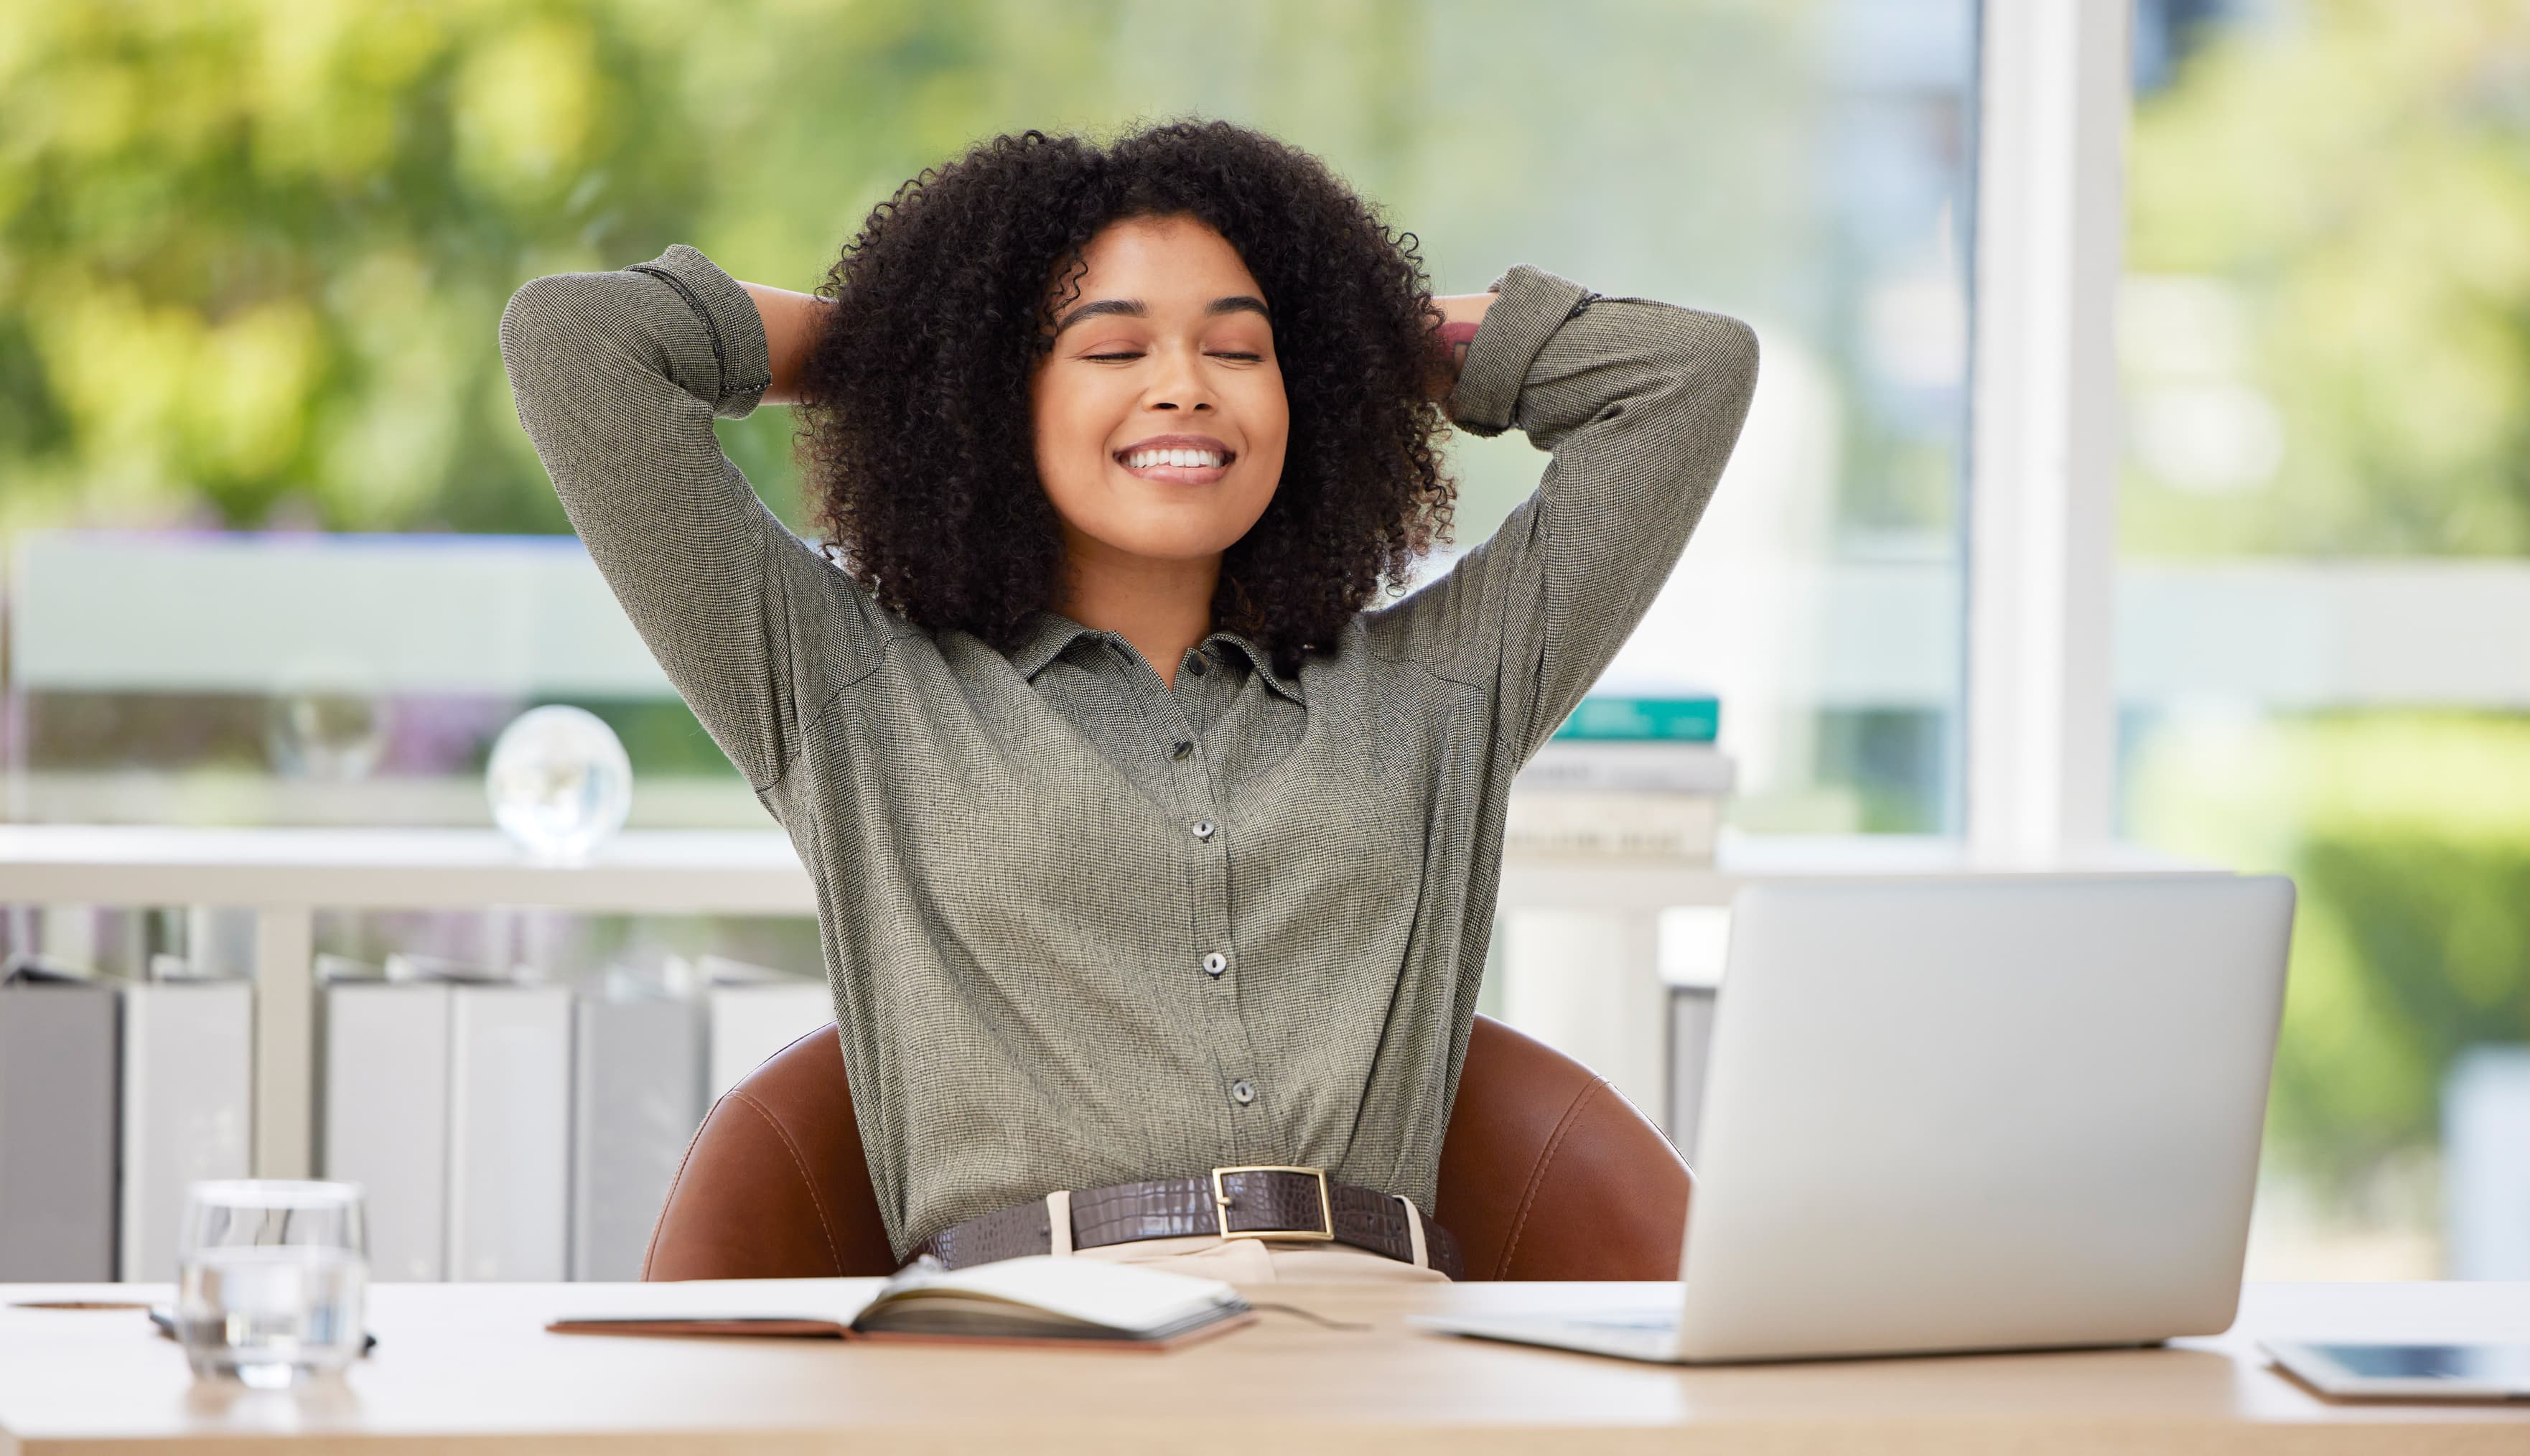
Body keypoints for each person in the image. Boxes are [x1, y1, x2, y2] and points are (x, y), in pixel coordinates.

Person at [500, 121, 1757, 1284]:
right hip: (1022, 1347)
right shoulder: (852, 690)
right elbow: (577, 343)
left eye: (1239, 348)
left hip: (1372, 1347)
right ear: (1002, 399)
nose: (1184, 387)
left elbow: (1686, 374)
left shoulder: (1440, 690)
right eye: (1111, 348)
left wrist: (1359, 340)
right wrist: (918, 344)